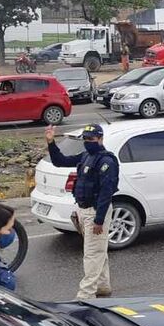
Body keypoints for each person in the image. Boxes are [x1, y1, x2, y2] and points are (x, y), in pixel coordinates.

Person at [46, 123, 118, 300]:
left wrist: (99, 220)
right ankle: (102, 286)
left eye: (91, 139)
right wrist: (51, 142)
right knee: (98, 250)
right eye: (85, 139)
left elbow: (106, 193)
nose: (87, 142)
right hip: (83, 209)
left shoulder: (106, 161)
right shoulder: (85, 156)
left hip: (96, 212)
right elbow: (60, 161)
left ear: (100, 139)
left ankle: (85, 295)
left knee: (92, 254)